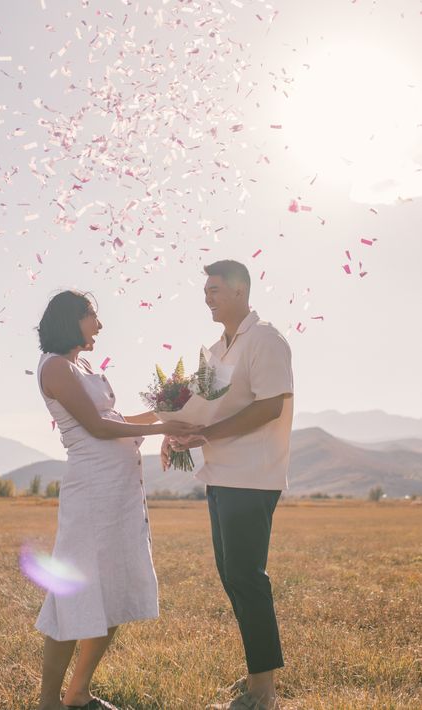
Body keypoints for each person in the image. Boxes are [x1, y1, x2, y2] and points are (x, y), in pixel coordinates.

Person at [34, 290, 196, 710]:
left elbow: (115, 420)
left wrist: (163, 414)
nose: (100, 326)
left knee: (112, 591)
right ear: (72, 319)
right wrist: (162, 429)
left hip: (120, 494)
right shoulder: (55, 367)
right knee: (72, 594)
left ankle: (79, 692)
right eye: (93, 316)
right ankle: (48, 701)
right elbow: (97, 428)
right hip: (91, 494)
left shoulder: (83, 366)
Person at [162, 260, 293, 710]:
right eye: (205, 290)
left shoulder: (265, 340)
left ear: (240, 291)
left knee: (246, 577)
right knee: (231, 576)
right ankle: (259, 674)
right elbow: (205, 411)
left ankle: (265, 692)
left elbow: (270, 407)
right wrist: (175, 435)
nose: (207, 297)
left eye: (214, 289)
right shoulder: (218, 349)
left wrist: (204, 436)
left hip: (252, 477)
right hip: (220, 474)